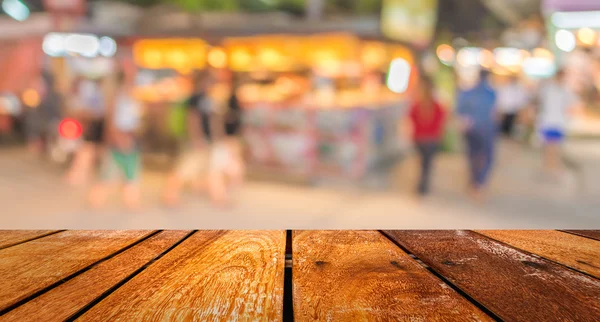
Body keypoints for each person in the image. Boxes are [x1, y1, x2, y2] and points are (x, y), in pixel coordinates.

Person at [89, 71, 142, 210]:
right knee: (108, 173)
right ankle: (96, 200)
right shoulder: (117, 99)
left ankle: (131, 201)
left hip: (129, 139)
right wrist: (119, 139)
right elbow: (111, 124)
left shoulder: (131, 99)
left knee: (129, 173)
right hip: (119, 141)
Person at [162, 71, 214, 206]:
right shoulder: (196, 98)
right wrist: (197, 138)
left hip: (201, 139)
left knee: (200, 167)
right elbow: (192, 118)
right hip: (195, 139)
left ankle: (201, 190)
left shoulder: (204, 97)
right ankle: (170, 195)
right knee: (183, 168)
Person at [456, 70, 498, 201]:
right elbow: (495, 112)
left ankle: (474, 181)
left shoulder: (467, 93)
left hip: (471, 128)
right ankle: (478, 183)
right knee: (487, 157)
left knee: (473, 155)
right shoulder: (491, 93)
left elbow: (459, 109)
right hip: (486, 129)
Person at [206, 75, 245, 206]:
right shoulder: (217, 99)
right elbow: (216, 121)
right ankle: (219, 195)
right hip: (223, 139)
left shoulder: (231, 98)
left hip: (229, 139)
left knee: (231, 168)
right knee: (219, 168)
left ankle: (223, 194)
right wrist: (219, 138)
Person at [408, 77, 446, 196]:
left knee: (421, 163)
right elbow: (442, 121)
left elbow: (410, 119)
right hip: (431, 139)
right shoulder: (437, 106)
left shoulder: (417, 105)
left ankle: (421, 185)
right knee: (427, 164)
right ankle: (423, 185)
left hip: (419, 138)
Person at [65, 77, 106, 186]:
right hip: (83, 127)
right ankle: (77, 174)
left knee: (87, 151)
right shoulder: (81, 97)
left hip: (88, 127)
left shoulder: (93, 96)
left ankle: (81, 173)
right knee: (85, 150)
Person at [537, 69, 578, 177]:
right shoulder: (548, 89)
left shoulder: (565, 90)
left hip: (559, 123)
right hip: (548, 122)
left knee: (556, 147)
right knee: (549, 147)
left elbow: (572, 105)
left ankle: (554, 167)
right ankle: (548, 167)